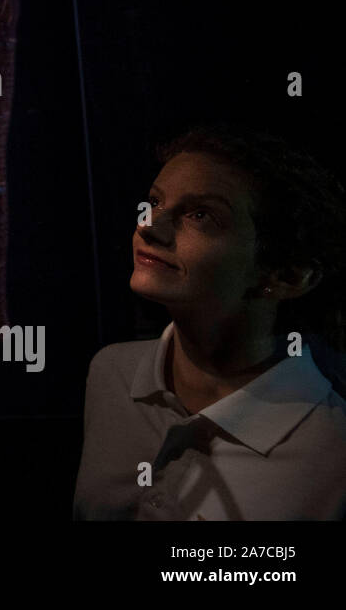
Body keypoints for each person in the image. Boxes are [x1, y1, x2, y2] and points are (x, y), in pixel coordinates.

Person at [74, 124, 346, 519]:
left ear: (287, 276)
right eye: (154, 202)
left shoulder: (331, 452)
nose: (148, 227)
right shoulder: (112, 373)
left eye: (201, 215)